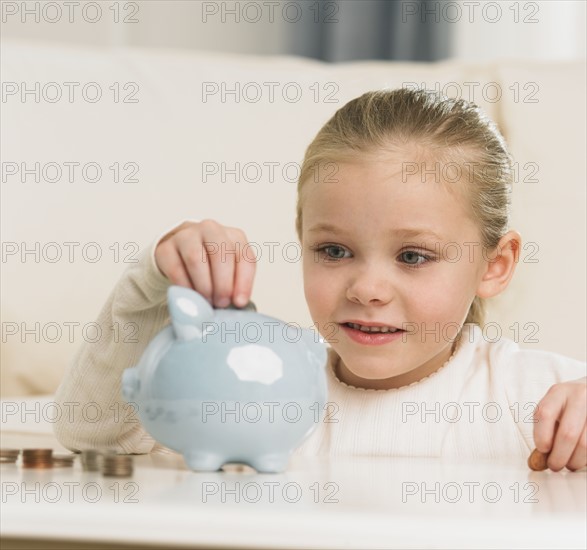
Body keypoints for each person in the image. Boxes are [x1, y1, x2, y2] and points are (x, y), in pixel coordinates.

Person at [53, 88, 586, 472]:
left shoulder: (533, 398)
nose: (367, 289)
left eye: (414, 256)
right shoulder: (258, 386)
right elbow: (92, 433)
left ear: (494, 264)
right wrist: (150, 287)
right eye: (334, 251)